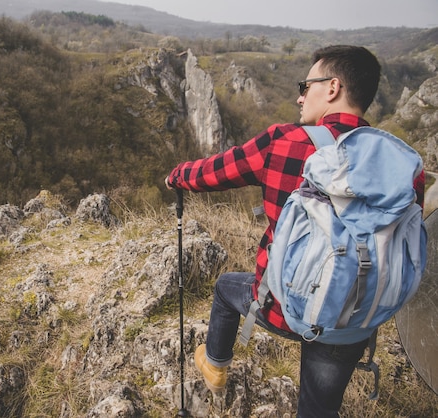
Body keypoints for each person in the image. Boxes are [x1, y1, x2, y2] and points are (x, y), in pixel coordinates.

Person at [165, 45, 425, 417]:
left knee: (225, 289)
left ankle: (215, 363)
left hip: (283, 308)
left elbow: (215, 172)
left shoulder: (285, 142)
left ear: (332, 88)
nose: (299, 96)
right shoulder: (402, 165)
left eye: (306, 86)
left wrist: (177, 176)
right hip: (355, 317)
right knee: (318, 410)